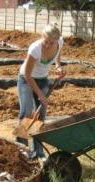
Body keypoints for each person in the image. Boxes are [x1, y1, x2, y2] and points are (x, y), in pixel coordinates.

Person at [16, 23, 66, 159]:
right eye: (46, 41)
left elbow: (58, 57)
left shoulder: (60, 42)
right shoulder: (35, 49)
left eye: (52, 42)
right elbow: (27, 74)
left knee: (40, 116)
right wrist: (40, 96)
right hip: (26, 80)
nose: (49, 45)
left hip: (43, 80)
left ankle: (38, 151)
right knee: (26, 113)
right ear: (41, 37)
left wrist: (58, 67)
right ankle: (22, 149)